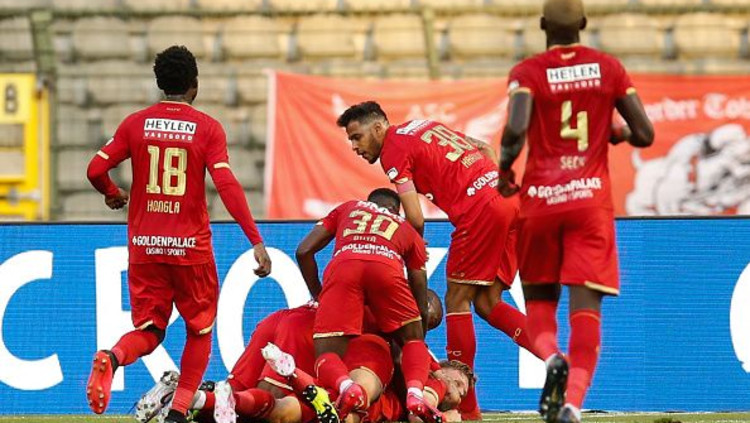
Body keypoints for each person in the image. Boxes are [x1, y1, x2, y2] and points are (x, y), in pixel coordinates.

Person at [85, 45, 272, 423]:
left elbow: (94, 170)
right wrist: (255, 239)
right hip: (190, 250)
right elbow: (226, 184)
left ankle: (113, 357)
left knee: (151, 331)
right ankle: (178, 411)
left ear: (160, 83)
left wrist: (112, 193)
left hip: (145, 248)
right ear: (194, 85)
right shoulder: (207, 128)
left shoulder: (135, 124)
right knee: (199, 331)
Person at [497, 1, 654, 422]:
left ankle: (552, 358)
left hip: (541, 202)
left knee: (540, 305)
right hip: (589, 204)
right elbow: (644, 133)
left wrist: (505, 170)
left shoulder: (528, 72)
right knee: (586, 311)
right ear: (583, 24)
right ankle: (573, 404)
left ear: (542, 25)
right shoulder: (609, 68)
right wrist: (614, 132)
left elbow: (515, 128)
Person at [337, 102, 544, 419]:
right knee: (487, 303)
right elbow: (484, 148)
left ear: (378, 128)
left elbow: (415, 217)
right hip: (510, 196)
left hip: (480, 211)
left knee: (457, 300)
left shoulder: (393, 151)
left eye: (357, 137)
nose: (354, 147)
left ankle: (467, 409)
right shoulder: (423, 126)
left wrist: (412, 250)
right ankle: (555, 358)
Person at [295, 188, 437, 422]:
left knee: (327, 354)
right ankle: (415, 395)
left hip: (344, 268)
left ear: (368, 202)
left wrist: (319, 295)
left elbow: (303, 251)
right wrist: (417, 339)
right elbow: (420, 297)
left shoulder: (349, 208)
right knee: (413, 341)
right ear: (395, 211)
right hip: (387, 270)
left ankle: (346, 386)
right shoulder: (407, 229)